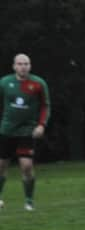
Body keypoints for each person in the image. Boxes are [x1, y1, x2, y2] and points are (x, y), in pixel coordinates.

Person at [0, 53, 50, 211]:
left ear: (30, 66)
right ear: (14, 66)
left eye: (26, 64)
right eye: (20, 64)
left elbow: (45, 105)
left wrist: (41, 125)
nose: (23, 67)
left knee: (26, 166)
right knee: (1, 165)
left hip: (27, 130)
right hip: (7, 130)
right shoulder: (5, 83)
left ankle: (29, 201)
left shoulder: (38, 83)